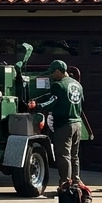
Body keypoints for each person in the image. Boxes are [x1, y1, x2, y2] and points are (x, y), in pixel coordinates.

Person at [36, 59, 84, 187]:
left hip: (64, 124)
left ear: (58, 71)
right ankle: (76, 180)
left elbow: (52, 102)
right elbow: (81, 102)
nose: (51, 76)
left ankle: (65, 182)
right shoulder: (77, 85)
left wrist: (37, 106)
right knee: (74, 155)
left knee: (63, 155)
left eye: (52, 73)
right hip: (77, 123)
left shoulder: (58, 85)